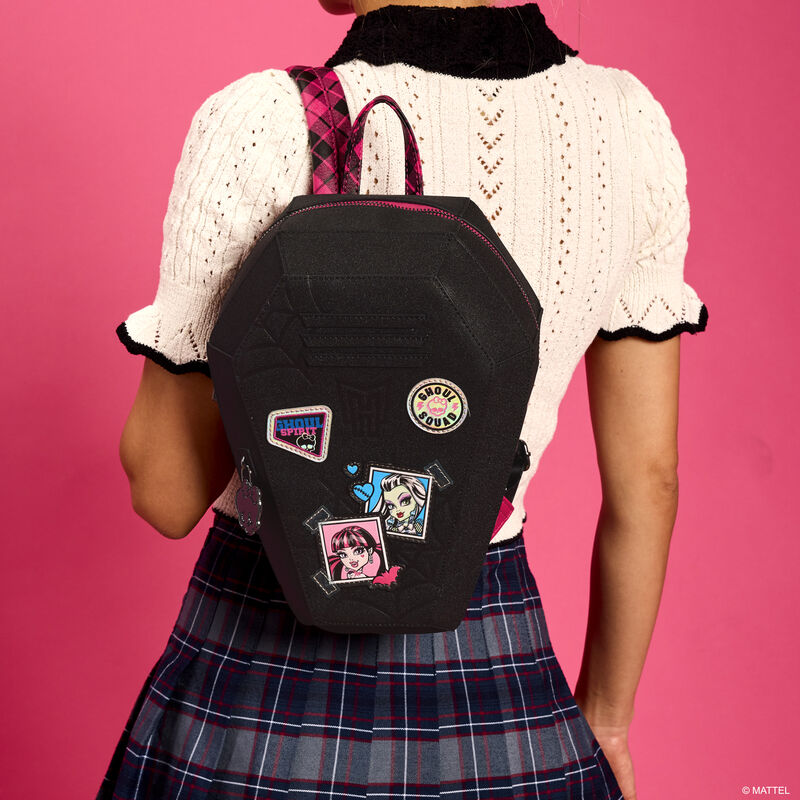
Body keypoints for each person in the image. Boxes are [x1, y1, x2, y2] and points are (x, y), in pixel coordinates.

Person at [98, 1, 708, 798]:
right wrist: (610, 723)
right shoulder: (629, 128)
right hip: (501, 686)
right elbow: (648, 480)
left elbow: (166, 491)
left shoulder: (267, 122)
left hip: (261, 688)